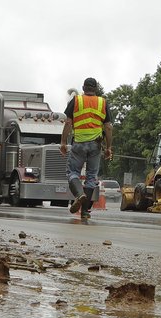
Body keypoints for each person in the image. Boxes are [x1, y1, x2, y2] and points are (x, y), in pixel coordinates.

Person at [59, 77, 113, 219]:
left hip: (79, 143)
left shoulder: (76, 100)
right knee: (91, 178)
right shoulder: (103, 102)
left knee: (73, 173)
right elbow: (108, 127)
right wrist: (109, 147)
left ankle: (79, 194)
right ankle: (84, 211)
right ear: (95, 89)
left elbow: (68, 122)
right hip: (96, 144)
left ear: (83, 88)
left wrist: (63, 142)